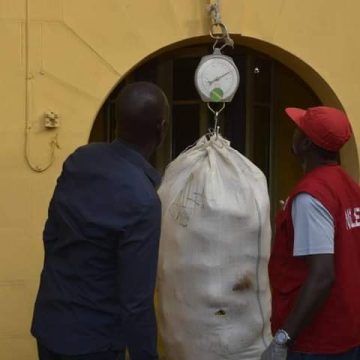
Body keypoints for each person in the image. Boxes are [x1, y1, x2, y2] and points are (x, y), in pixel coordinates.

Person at [31, 82, 169, 360]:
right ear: (161, 128)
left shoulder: (80, 160)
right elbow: (136, 303)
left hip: (50, 325)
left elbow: (51, 235)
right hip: (95, 344)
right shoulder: (143, 201)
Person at [261, 106, 360, 360]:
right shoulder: (349, 187)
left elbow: (322, 275)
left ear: (305, 143)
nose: (293, 133)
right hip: (348, 333)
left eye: (299, 128)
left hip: (316, 343)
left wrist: (283, 338)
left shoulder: (311, 196)